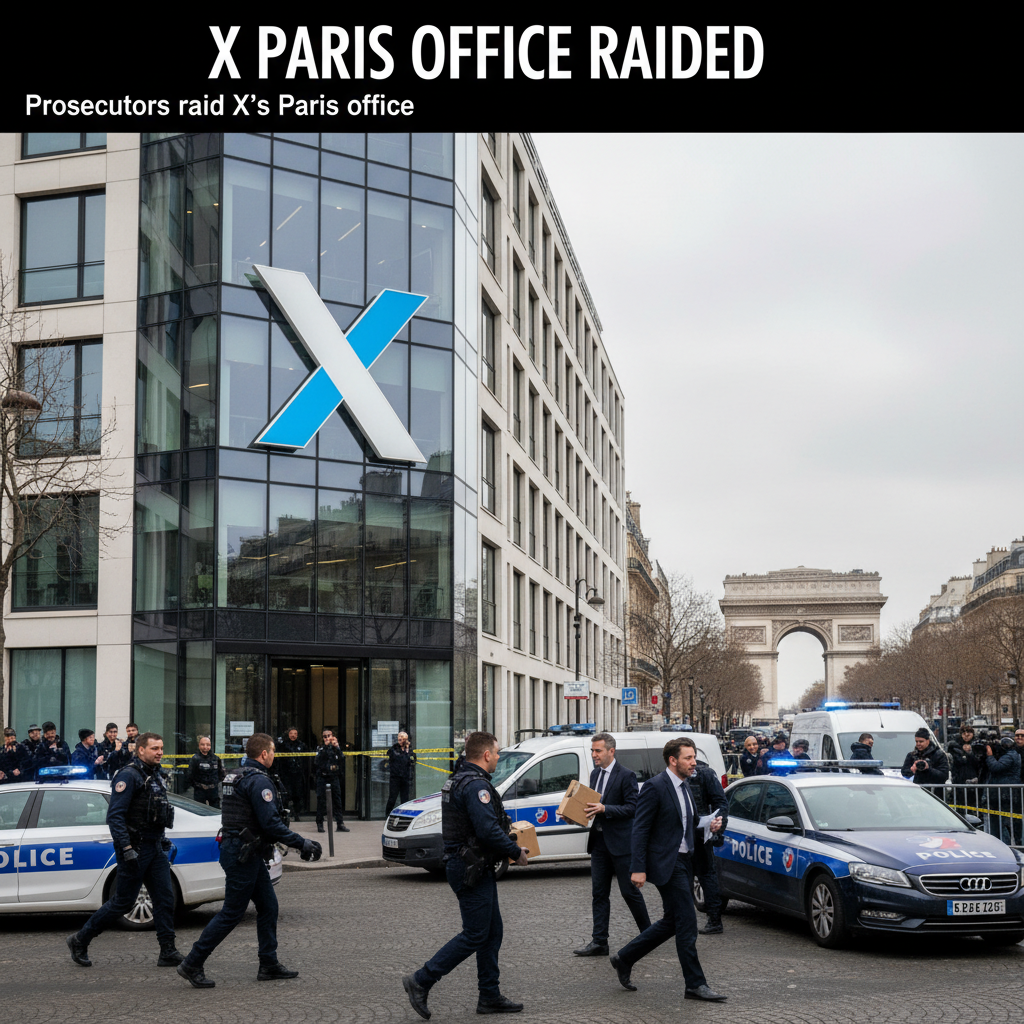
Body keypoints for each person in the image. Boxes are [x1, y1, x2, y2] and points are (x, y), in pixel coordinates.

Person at [177, 733, 321, 988]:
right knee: (232, 913)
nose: (274, 755)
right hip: (243, 853)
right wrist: (302, 843)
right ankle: (193, 962)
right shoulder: (258, 781)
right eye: (273, 751)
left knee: (268, 906)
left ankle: (268, 963)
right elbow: (271, 823)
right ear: (264, 754)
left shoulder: (235, 775)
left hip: (244, 851)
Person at [402, 731, 529, 1019]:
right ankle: (421, 980)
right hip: (470, 867)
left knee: (492, 932)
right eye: (497, 752)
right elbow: (487, 829)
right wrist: (514, 851)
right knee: (475, 934)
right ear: (486, 755)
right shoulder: (475, 786)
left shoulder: (460, 778)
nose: (498, 756)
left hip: (474, 865)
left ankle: (489, 996)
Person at [608, 736, 726, 1002]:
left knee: (672, 921)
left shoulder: (685, 786)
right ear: (673, 760)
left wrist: (708, 824)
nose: (694, 762)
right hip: (667, 864)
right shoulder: (655, 786)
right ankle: (695, 984)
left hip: (685, 861)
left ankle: (624, 957)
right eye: (688, 758)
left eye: (694, 757)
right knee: (688, 923)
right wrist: (637, 868)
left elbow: (686, 822)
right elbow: (640, 829)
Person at [66, 732, 184, 969]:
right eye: (155, 748)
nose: (160, 752)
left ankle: (168, 951)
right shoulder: (129, 775)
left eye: (161, 748)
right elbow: (115, 817)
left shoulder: (155, 774)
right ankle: (80, 939)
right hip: (135, 849)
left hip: (154, 846)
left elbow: (155, 812)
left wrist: (161, 839)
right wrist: (127, 848)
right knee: (123, 902)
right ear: (140, 750)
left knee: (164, 899)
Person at [572, 732, 651, 956]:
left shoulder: (626, 775)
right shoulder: (595, 774)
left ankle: (649, 935)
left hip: (621, 844)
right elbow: (592, 808)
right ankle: (600, 942)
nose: (594, 755)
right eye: (592, 751)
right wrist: (573, 815)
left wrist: (606, 808)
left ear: (611, 751)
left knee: (629, 893)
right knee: (599, 894)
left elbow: (633, 808)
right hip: (599, 844)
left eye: (598, 751)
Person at [686, 751, 729, 935]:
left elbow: (721, 803)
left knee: (706, 876)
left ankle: (714, 920)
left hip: (701, 834)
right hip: (679, 835)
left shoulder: (705, 773)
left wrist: (718, 827)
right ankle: (681, 920)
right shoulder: (672, 774)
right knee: (682, 878)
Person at [982, 734, 1020, 844]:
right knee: (1001, 822)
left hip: (1004, 794)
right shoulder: (1012, 754)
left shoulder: (1010, 756)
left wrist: (990, 756)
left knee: (1003, 823)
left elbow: (996, 767)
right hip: (1003, 793)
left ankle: (1004, 845)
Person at [314, 728, 349, 833]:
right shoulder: (320, 748)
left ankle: (340, 823)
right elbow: (317, 761)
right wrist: (325, 747)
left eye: (329, 736)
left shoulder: (335, 748)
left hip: (334, 777)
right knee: (321, 801)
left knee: (337, 801)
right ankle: (320, 823)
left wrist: (337, 747)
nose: (327, 738)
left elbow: (342, 759)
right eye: (325, 736)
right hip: (322, 777)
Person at [277, 727, 310, 821]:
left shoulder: (301, 745)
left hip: (298, 774)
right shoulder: (283, 745)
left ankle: (297, 813)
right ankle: (285, 814)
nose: (293, 735)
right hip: (286, 774)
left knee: (298, 794)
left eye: (295, 734)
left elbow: (306, 759)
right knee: (287, 794)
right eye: (291, 733)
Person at [187, 736, 226, 807]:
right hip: (200, 790)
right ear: (199, 746)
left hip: (213, 790)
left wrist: (215, 782)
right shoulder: (195, 759)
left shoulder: (216, 759)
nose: (205, 747)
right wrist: (197, 785)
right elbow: (190, 775)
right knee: (199, 810)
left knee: (215, 810)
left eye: (208, 745)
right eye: (202, 744)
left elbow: (221, 774)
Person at [385, 731, 417, 815]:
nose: (400, 739)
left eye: (403, 737)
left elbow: (412, 759)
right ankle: (387, 814)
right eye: (399, 737)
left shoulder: (409, 749)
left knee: (405, 798)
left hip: (405, 777)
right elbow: (400, 758)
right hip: (395, 777)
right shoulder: (394, 748)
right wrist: (405, 752)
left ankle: (404, 814)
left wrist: (407, 749)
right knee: (392, 798)